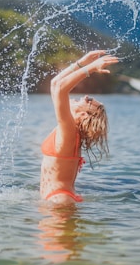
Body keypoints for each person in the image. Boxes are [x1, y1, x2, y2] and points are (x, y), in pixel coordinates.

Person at [40, 50, 118, 205]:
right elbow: (55, 84)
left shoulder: (68, 130)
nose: (83, 96)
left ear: (83, 116)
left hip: (59, 200)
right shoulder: (70, 131)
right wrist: (82, 62)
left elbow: (61, 89)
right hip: (60, 198)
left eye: (88, 100)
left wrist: (91, 68)